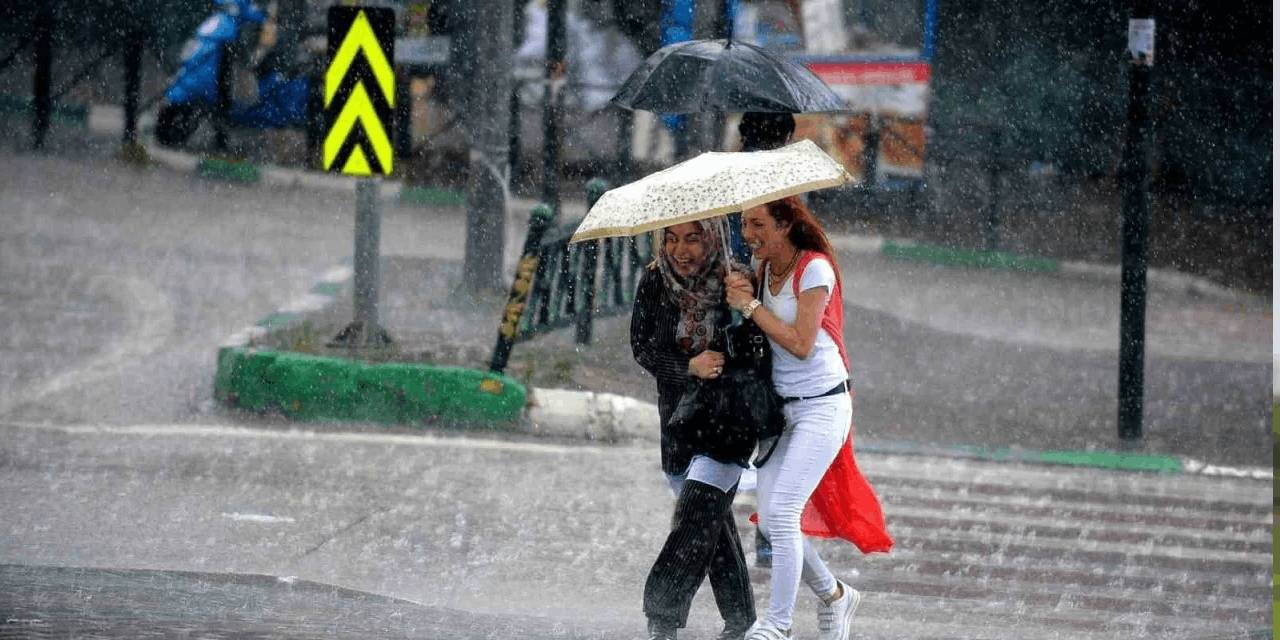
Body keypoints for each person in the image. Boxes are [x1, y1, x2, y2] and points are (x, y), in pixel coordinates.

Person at [723, 196, 893, 640]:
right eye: (743, 225)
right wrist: (743, 292)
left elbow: (801, 342)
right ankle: (836, 595)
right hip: (783, 412)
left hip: (823, 405)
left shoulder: (813, 268)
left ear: (785, 224)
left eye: (757, 224)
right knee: (771, 514)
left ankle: (776, 626)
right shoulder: (762, 272)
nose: (748, 235)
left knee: (782, 517)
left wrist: (749, 306)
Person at [631, 220, 758, 640]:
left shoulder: (738, 281)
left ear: (714, 237)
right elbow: (643, 347)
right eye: (671, 238)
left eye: (692, 238)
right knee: (711, 523)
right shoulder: (654, 281)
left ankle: (662, 615)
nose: (680, 250)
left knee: (695, 518)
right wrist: (688, 366)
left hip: (728, 421)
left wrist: (742, 314)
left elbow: (759, 350)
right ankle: (741, 618)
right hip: (677, 422)